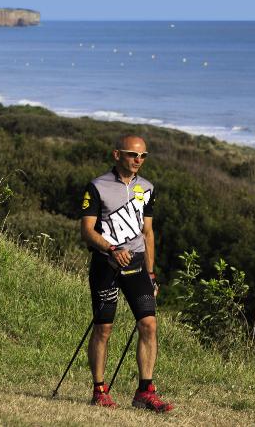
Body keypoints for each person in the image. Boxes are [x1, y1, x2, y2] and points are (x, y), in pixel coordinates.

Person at [80, 135, 173, 412]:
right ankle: (99, 390)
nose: (138, 161)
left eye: (143, 156)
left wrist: (152, 273)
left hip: (137, 265)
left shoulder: (147, 188)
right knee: (104, 328)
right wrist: (110, 248)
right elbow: (87, 231)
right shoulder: (98, 186)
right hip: (105, 264)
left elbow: (148, 232)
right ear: (117, 154)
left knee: (149, 325)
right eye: (133, 155)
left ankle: (145, 391)